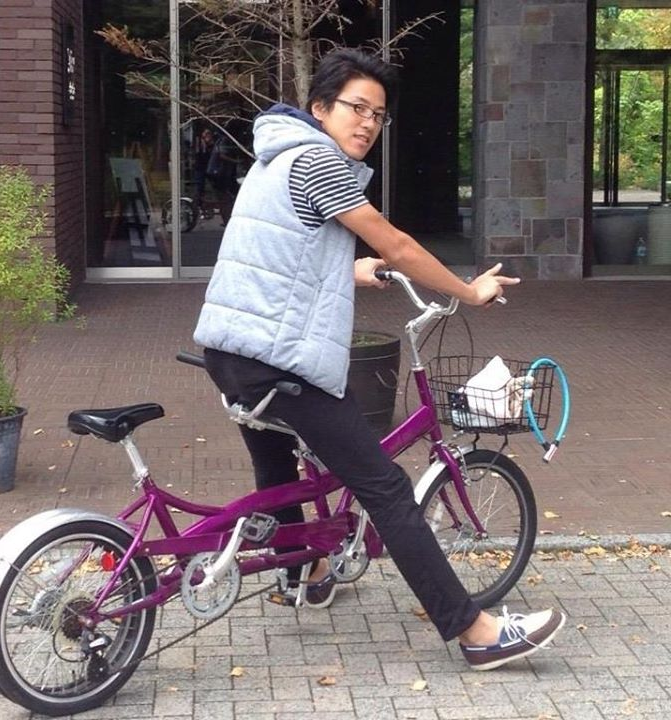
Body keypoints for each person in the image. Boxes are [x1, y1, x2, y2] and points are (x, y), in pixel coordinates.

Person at [194, 48, 565, 670]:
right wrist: (468, 290)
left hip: (232, 351)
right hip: (279, 362)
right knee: (386, 488)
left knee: (279, 471)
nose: (367, 123)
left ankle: (302, 575)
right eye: (356, 108)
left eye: (378, 115)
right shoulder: (317, 160)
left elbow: (280, 254)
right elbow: (396, 242)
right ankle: (475, 631)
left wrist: (347, 269)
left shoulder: (273, 158)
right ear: (320, 108)